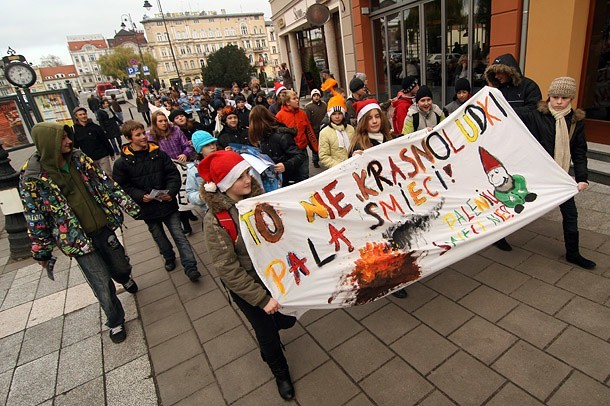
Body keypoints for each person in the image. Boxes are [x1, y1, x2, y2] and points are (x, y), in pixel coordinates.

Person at [20, 123, 141, 343]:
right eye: (63, 139)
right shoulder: (32, 178)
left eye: (68, 137)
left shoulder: (78, 158)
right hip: (76, 240)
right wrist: (41, 251)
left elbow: (105, 183)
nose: (69, 142)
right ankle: (115, 321)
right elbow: (34, 216)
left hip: (103, 228)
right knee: (101, 283)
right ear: (50, 144)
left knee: (120, 266)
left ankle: (125, 278)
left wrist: (130, 205)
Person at [199, 150, 297, 400]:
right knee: (268, 336)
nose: (248, 179)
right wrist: (261, 299)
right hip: (248, 287)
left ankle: (275, 328)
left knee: (287, 319)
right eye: (239, 176)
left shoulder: (258, 201)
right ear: (224, 184)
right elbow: (227, 268)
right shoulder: (216, 221)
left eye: (246, 173)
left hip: (272, 277)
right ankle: (280, 371)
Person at [518, 77, 596, 269]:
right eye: (555, 97)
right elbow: (509, 116)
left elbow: (579, 151)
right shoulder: (536, 114)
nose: (559, 102)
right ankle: (499, 237)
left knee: (570, 214)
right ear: (549, 96)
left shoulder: (575, 122)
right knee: (517, 207)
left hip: (560, 175)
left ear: (571, 99)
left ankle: (573, 253)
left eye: (564, 98)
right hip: (537, 175)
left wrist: (582, 177)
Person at [113, 120, 201, 282]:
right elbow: (123, 186)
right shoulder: (121, 163)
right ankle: (168, 257)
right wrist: (140, 196)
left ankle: (191, 266)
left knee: (179, 235)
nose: (143, 137)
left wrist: (171, 192)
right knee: (159, 236)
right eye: (137, 135)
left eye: (143, 133)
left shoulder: (159, 153)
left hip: (167, 203)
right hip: (147, 208)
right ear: (128, 138)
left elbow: (172, 174)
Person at [347, 100, 409, 298]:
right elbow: (348, 175)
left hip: (393, 198)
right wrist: (353, 161)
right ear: (363, 121)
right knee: (383, 242)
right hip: (374, 204)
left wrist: (428, 134)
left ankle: (399, 274)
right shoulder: (359, 144)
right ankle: (390, 281)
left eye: (377, 117)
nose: (374, 121)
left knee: (397, 237)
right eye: (370, 118)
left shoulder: (389, 138)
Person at [485, 54, 542, 252]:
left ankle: (524, 205)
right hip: (502, 145)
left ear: (509, 71)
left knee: (519, 181)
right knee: (502, 186)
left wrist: (508, 113)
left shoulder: (529, 87)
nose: (498, 77)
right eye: (494, 74)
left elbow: (535, 111)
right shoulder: (496, 89)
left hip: (523, 144)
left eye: (500, 73)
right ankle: (500, 233)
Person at [248, 105, 306, 187]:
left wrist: (286, 165)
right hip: (272, 180)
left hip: (288, 179)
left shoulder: (281, 136)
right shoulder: (261, 138)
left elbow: (300, 155)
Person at [275, 90, 318, 183]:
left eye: (297, 98)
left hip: (302, 151)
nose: (297, 100)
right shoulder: (280, 116)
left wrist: (316, 148)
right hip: (289, 154)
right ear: (287, 102)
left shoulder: (302, 113)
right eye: (294, 99)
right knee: (292, 179)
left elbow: (309, 131)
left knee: (304, 176)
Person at [72, 106, 115, 175]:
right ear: (76, 116)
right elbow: (75, 146)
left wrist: (111, 152)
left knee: (108, 175)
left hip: (102, 156)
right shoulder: (75, 130)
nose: (83, 116)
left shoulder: (95, 127)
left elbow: (105, 140)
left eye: (84, 114)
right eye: (80, 115)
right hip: (89, 159)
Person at [318, 93, 355, 168]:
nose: (337, 117)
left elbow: (356, 147)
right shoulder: (324, 132)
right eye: (334, 114)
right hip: (336, 170)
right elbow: (324, 156)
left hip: (353, 167)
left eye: (340, 113)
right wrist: (339, 166)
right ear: (330, 115)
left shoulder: (351, 129)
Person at [186, 130, 217, 212]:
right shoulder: (194, 170)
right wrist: (202, 196)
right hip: (211, 210)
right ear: (200, 150)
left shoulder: (223, 160)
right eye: (207, 145)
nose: (212, 147)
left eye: (213, 143)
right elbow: (190, 193)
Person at [304, 89, 327, 168]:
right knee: (315, 147)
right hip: (314, 130)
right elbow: (307, 120)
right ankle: (315, 160)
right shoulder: (308, 107)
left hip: (324, 128)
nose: (316, 97)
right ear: (312, 97)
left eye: (317, 95)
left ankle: (324, 158)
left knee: (324, 145)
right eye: (314, 96)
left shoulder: (324, 105)